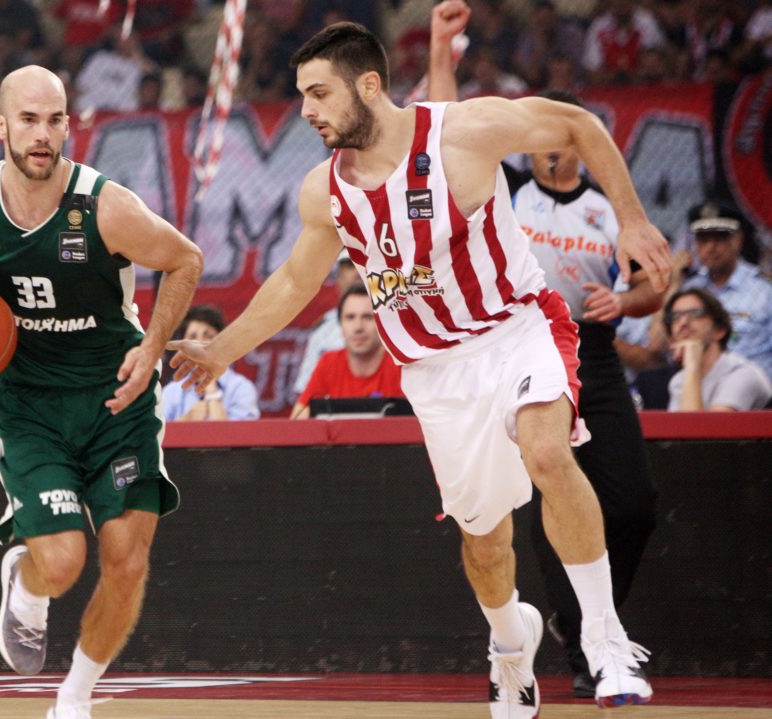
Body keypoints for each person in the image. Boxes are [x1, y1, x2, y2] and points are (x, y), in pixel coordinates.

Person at [168, 16, 670, 717]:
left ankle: (605, 638)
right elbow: (293, 282)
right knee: (484, 540)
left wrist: (633, 220)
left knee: (547, 452)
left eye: (318, 93)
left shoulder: (461, 133)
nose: (306, 110)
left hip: (516, 326)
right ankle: (509, 646)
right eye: (302, 94)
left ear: (369, 86)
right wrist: (222, 348)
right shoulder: (325, 192)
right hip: (436, 367)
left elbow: (578, 125)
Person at [0, 65, 202, 719]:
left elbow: (185, 259)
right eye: (28, 120)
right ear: (1, 126)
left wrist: (152, 348)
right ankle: (26, 583)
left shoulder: (105, 207)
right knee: (64, 562)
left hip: (115, 397)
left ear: (68, 125)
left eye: (54, 120)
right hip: (31, 404)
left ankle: (74, 700)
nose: (42, 134)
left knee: (127, 559)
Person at [426, 3, 662, 698]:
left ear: (578, 141)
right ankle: (586, 642)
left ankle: (590, 621)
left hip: (592, 350)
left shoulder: (605, 206)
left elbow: (653, 286)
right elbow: (443, 126)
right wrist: (442, 51)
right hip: (516, 342)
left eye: (563, 136)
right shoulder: (506, 190)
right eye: (540, 139)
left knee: (634, 502)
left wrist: (627, 301)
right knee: (545, 477)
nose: (551, 149)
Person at [680, 201, 772, 384]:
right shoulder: (688, 290)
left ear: (737, 240)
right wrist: (674, 281)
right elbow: (657, 347)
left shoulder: (764, 290)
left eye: (719, 238)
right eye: (703, 240)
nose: (710, 247)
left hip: (755, 392)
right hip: (699, 388)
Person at [291, 284, 403, 419]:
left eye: (368, 317)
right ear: (340, 324)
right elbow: (297, 419)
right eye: (350, 317)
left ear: (383, 323)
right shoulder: (329, 362)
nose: (358, 327)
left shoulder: (401, 364)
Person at [664, 288, 772, 411]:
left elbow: (699, 424)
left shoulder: (742, 374)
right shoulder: (679, 380)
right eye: (675, 316)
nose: (683, 322)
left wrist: (692, 366)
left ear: (719, 331)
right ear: (671, 340)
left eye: (696, 313)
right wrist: (691, 369)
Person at [161, 305, 259, 422]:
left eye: (208, 336)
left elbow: (244, 434)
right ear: (182, 348)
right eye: (192, 337)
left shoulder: (241, 388)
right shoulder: (171, 392)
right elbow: (157, 432)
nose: (199, 344)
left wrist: (211, 389)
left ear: (223, 342)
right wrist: (185, 421)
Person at [290, 254, 364, 402]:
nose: (358, 272)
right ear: (339, 278)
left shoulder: (397, 322)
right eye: (350, 266)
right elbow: (306, 391)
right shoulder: (324, 328)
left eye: (363, 264)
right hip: (331, 410)